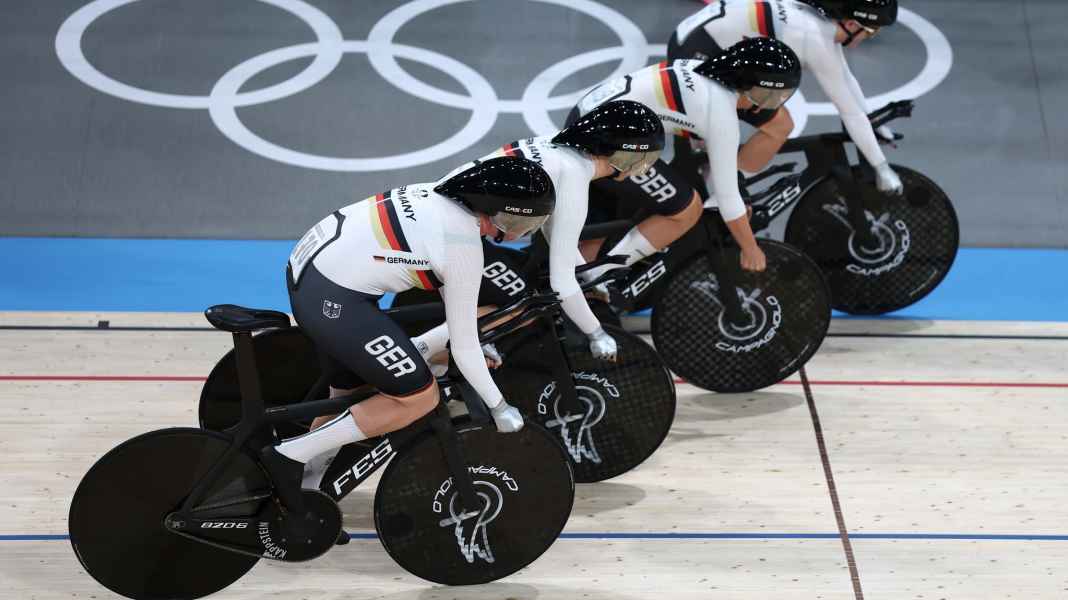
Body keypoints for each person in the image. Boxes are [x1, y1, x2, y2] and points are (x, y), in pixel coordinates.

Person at [260, 156, 555, 491]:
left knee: (349, 395)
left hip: (312, 273)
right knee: (419, 397)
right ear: (490, 207)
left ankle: (303, 492)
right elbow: (464, 344)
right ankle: (288, 454)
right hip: (336, 297)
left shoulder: (438, 194)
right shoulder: (463, 247)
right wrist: (499, 406)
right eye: (514, 221)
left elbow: (458, 319)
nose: (518, 233)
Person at [416, 100, 665, 362]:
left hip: (437, 218)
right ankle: (419, 351)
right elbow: (562, 282)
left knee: (512, 293)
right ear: (622, 154)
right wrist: (597, 334)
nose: (641, 167)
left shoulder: (556, 148)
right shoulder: (574, 175)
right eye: (641, 158)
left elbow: (559, 242)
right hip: (450, 235)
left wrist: (590, 275)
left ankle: (446, 359)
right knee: (522, 304)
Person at [573, 37, 802, 275]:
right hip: (607, 140)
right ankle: (601, 275)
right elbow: (728, 201)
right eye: (771, 95)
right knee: (686, 210)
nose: (771, 105)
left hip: (588, 118)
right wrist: (750, 249)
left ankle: (581, 278)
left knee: (605, 223)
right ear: (752, 86)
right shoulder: (721, 114)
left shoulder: (702, 71)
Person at [668, 0, 904, 193]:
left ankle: (708, 171)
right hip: (697, 56)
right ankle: (725, 201)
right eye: (873, 32)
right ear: (852, 25)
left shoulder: (819, 22)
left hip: (692, 40)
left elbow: (846, 79)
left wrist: (872, 122)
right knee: (779, 125)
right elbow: (849, 111)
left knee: (710, 143)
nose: (870, 37)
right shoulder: (815, 39)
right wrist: (882, 168)